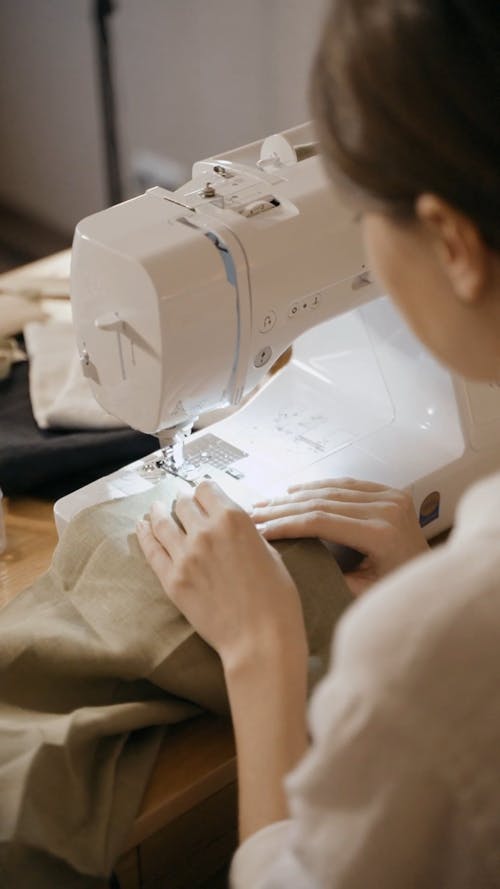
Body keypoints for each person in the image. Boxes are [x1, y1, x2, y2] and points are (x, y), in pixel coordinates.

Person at [136, 1, 500, 885]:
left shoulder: (422, 648)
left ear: (452, 242)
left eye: (362, 213)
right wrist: (424, 582)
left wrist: (261, 652)